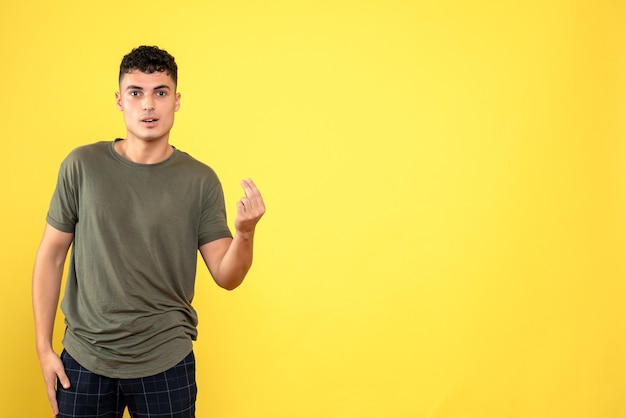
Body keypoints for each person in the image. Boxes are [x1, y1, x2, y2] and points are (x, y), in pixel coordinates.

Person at [32, 45, 265, 418]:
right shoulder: (82, 166)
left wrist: (246, 233)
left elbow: (227, 275)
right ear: (119, 101)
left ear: (176, 101)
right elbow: (52, 254)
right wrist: (44, 349)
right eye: (135, 93)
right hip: (85, 357)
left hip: (166, 359)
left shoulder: (200, 180)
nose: (148, 105)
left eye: (160, 92)